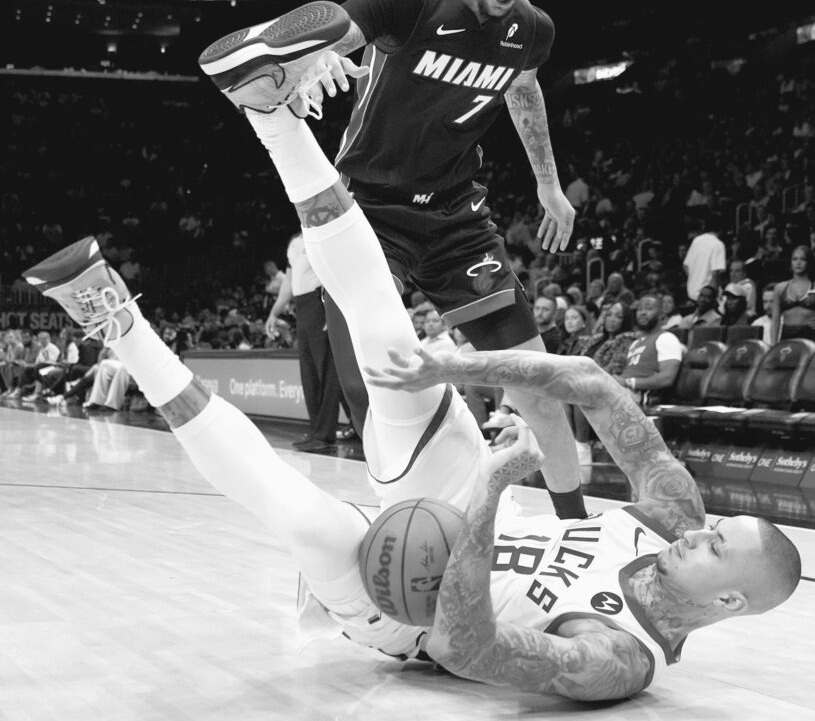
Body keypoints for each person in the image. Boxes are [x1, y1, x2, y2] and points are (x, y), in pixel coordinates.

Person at [24, 108, 800, 701]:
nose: (696, 532)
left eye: (713, 545)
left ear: (728, 598)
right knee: (398, 356)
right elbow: (593, 384)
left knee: (298, 515)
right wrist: (455, 363)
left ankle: (116, 322)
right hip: (459, 507)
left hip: (406, 606)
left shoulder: (617, 658)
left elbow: (467, 649)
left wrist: (491, 491)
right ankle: (273, 112)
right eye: (712, 527)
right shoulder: (674, 515)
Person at [199, 0, 588, 521]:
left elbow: (524, 89)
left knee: (537, 382)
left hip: (458, 217)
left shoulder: (532, 28)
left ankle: (575, 526)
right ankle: (404, 522)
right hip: (370, 214)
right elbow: (342, 33)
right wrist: (316, 61)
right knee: (376, 390)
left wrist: (548, 184)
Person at [266, 232, 346, 453]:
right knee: (309, 373)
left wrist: (333, 312)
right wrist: (274, 313)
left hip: (320, 302)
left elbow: (336, 272)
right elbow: (289, 282)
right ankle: (317, 431)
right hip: (302, 307)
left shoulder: (321, 235)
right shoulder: (294, 242)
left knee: (327, 372)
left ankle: (325, 434)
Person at [616, 293, 684, 406]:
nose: (642, 313)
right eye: (640, 309)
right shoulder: (636, 343)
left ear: (661, 315)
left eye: (649, 309)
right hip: (623, 390)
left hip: (641, 395)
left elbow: (667, 378)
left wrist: (629, 382)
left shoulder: (666, 338)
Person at [770, 245, 815, 344]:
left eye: (802, 259)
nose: (798, 263)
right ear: (791, 262)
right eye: (795, 259)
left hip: (811, 336)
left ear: (809, 262)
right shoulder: (780, 288)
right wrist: (773, 344)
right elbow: (775, 320)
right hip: (787, 336)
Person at [683, 214, 726, 303]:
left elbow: (686, 266)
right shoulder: (718, 244)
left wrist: (695, 279)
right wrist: (711, 296)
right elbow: (715, 274)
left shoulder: (696, 240)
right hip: (706, 298)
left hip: (692, 293)